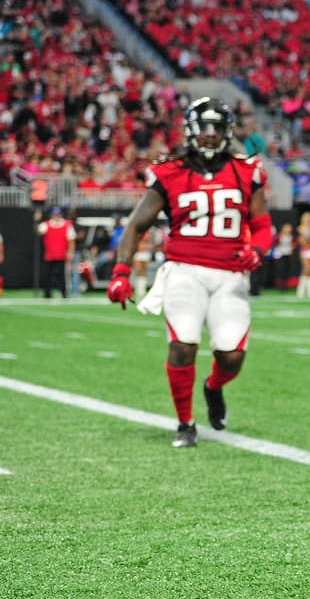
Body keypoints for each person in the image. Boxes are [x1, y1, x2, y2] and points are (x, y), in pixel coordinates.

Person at [107, 98, 272, 448]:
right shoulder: (169, 172)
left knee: (231, 355)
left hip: (230, 275)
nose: (210, 136)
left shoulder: (247, 170)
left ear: (228, 132)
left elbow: (262, 226)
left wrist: (257, 250)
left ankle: (213, 388)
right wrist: (121, 270)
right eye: (204, 128)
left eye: (217, 128)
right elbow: (137, 226)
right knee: (183, 344)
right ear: (191, 130)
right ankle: (186, 423)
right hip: (184, 271)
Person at [36, 207, 75, 298]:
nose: (56, 216)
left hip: (62, 254)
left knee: (62, 276)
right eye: (54, 214)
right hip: (49, 255)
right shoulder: (46, 224)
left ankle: (63, 293)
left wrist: (71, 252)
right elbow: (38, 232)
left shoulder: (67, 224)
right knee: (47, 275)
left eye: (58, 214)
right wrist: (37, 221)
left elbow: (71, 239)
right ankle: (47, 293)